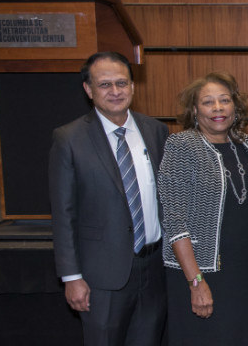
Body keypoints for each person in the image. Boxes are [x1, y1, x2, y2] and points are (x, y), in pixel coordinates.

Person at [49, 51, 168, 345]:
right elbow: (63, 214)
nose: (115, 92)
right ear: (88, 90)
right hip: (100, 279)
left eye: (122, 83)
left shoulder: (156, 131)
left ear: (133, 87)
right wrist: (71, 277)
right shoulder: (69, 139)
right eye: (104, 85)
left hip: (154, 271)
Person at [157, 72, 248, 345]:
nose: (217, 108)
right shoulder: (181, 145)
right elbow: (174, 218)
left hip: (239, 272)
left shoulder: (246, 145)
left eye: (224, 100)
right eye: (208, 102)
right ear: (194, 110)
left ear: (235, 107)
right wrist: (196, 282)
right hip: (199, 270)